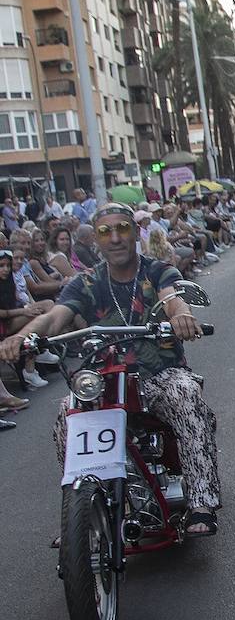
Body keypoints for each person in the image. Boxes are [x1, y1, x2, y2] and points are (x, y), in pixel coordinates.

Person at [0, 203, 221, 535]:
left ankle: (201, 502)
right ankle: (80, 514)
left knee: (187, 393)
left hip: (159, 375)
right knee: (66, 413)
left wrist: (180, 315)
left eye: (122, 229)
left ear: (134, 233)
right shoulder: (86, 283)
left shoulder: (157, 270)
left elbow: (172, 297)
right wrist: (20, 336)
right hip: (104, 381)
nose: (115, 238)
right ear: (97, 240)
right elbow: (55, 316)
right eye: (105, 232)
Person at [0, 248, 53, 390]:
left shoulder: (8, 282)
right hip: (3, 325)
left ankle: (41, 349)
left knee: (48, 305)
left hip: (12, 316)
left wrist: (28, 308)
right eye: (1, 266)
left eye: (7, 266)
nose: (5, 269)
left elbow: (16, 301)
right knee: (35, 317)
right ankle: (31, 366)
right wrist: (24, 311)